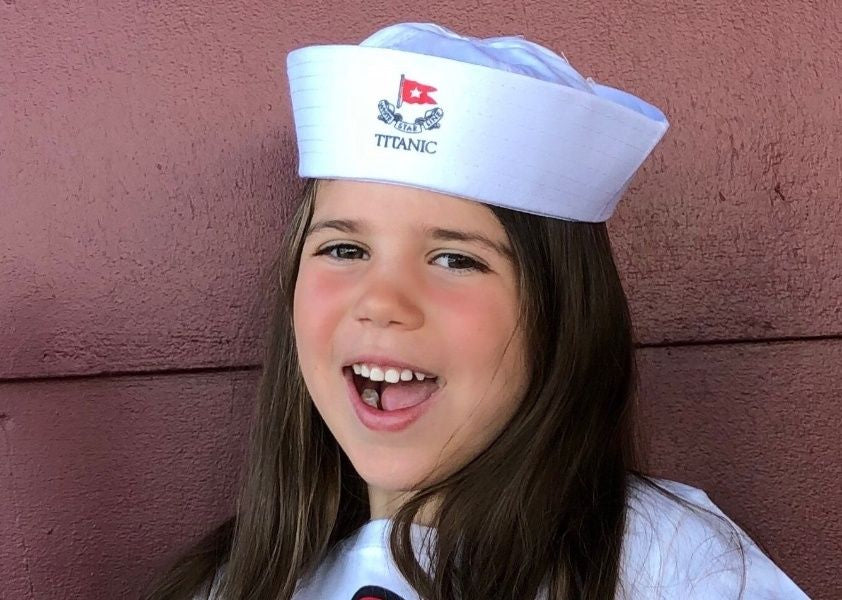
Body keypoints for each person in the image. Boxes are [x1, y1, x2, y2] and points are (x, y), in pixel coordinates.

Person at [142, 22, 810, 600]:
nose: (380, 301)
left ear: (560, 314)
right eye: (344, 247)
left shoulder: (672, 566)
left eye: (456, 259)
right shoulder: (236, 583)